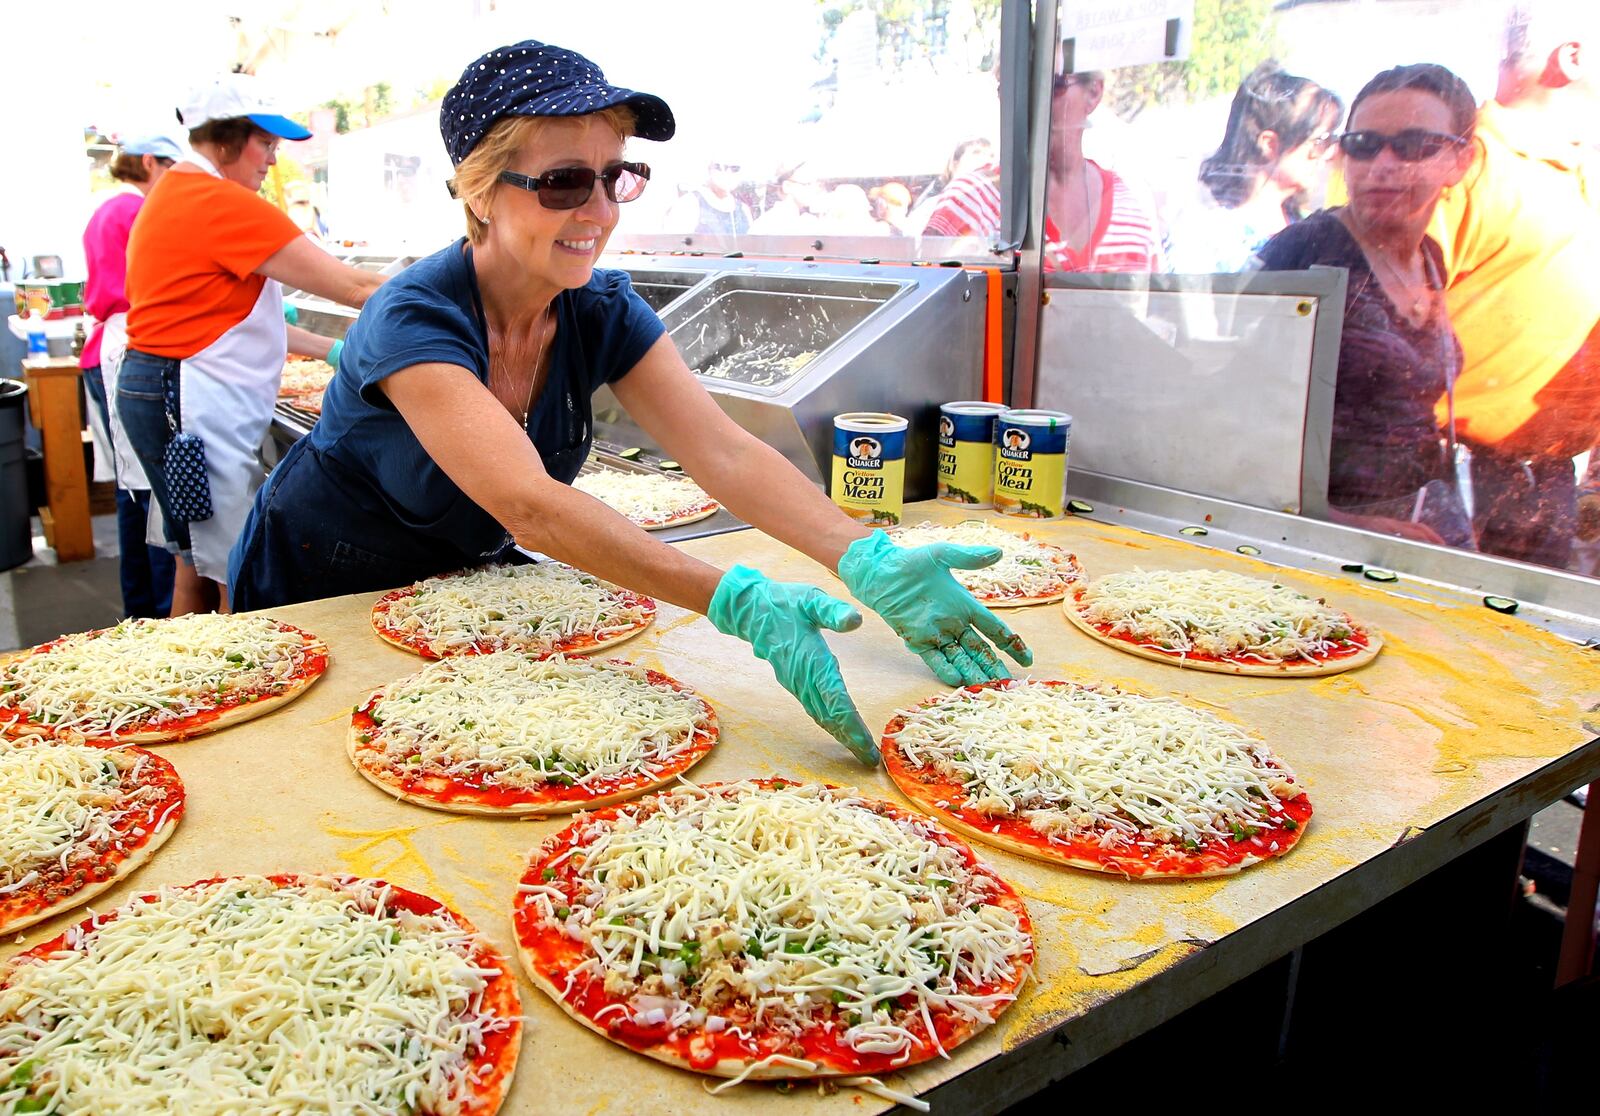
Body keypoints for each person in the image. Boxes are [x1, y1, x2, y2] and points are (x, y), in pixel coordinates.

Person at [229, 40, 1030, 765]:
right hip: (320, 586)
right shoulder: (413, 317)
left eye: (617, 176)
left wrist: (862, 556)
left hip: (453, 592)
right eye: (563, 183)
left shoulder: (599, 308)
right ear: (478, 192)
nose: (602, 211)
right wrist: (734, 600)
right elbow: (530, 506)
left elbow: (722, 451)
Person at [118, 73, 384, 616]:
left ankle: (186, 679)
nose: (271, 159)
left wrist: (329, 350)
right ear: (224, 140)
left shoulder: (178, 193)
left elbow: (221, 315)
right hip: (187, 405)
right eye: (264, 144)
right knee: (233, 568)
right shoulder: (219, 202)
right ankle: (236, 677)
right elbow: (357, 287)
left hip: (164, 390)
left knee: (194, 560)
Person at [1257, 64, 1478, 548]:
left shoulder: (1430, 258)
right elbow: (1233, 423)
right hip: (1326, 540)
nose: (1383, 164)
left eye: (1415, 145)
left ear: (1461, 160)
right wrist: (1345, 526)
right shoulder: (1305, 250)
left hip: (1421, 522)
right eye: (1363, 144)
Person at [1428, 1, 1600, 569]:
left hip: (1547, 478)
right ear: (1572, 57)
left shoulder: (1579, 162)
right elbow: (1398, 317)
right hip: (1464, 477)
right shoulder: (1472, 161)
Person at [80, 132, 180, 618]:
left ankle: (140, 612)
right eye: (171, 166)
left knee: (132, 490)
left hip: (112, 347)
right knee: (154, 497)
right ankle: (162, 613)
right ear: (148, 163)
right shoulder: (135, 210)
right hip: (134, 347)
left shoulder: (108, 209)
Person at [1168, 62, 1343, 273]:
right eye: (1320, 141)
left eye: (1333, 139)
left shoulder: (1314, 231)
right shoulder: (1205, 236)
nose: (1330, 152)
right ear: (1269, 144)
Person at [1042, 69, 1162, 272]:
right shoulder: (980, 201)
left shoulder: (1134, 204)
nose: (1035, 102)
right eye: (1017, 87)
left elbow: (1155, 300)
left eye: (1055, 84)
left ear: (1093, 93)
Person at [663, 161, 752, 236]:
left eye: (735, 168)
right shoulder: (689, 204)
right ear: (709, 170)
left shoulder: (743, 209)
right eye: (720, 167)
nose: (728, 173)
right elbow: (674, 248)